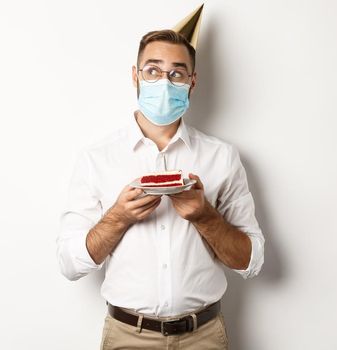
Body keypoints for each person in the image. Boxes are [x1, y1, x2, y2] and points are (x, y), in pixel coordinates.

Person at [56, 5, 265, 349]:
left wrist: (204, 215)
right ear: (135, 76)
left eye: (177, 74)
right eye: (152, 71)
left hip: (204, 337)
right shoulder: (97, 158)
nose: (164, 83)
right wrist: (118, 217)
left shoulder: (222, 157)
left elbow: (251, 261)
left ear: (191, 83)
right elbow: (69, 264)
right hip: (127, 336)